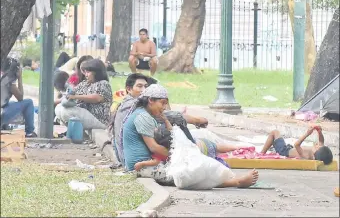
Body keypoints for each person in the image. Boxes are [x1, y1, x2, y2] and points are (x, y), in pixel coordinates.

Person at [123, 84, 259, 188]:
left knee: (194, 167)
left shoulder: (147, 114)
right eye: (162, 103)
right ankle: (236, 182)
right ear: (151, 101)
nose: (165, 107)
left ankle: (233, 179)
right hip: (143, 168)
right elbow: (153, 147)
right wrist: (177, 155)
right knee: (190, 174)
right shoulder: (143, 117)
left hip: (150, 162)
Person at [55, 59, 112, 130]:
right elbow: (71, 94)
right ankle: (74, 133)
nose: (86, 74)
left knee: (66, 112)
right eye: (85, 72)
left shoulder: (103, 83)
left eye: (88, 72)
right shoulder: (85, 83)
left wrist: (76, 96)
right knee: (59, 108)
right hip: (85, 114)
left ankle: (77, 134)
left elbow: (97, 98)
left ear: (96, 72)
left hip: (98, 119)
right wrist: (69, 93)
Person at [1, 57, 37, 137]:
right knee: (28, 102)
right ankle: (29, 132)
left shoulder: (3, 77)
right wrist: (20, 78)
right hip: (1, 114)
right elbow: (20, 97)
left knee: (12, 103)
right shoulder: (8, 81)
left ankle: (4, 125)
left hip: (2, 109)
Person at [261, 126, 333, 164]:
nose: (317, 145)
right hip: (290, 148)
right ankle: (272, 146)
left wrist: (307, 134)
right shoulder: (317, 152)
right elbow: (321, 141)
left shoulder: (306, 155)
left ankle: (261, 153)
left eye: (317, 147)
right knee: (277, 140)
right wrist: (320, 132)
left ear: (315, 153)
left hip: (284, 151)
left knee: (274, 132)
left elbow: (297, 145)